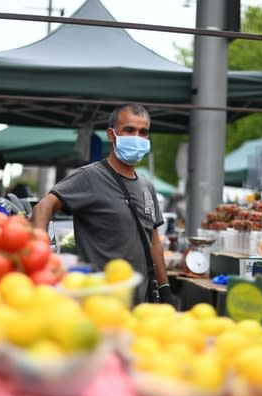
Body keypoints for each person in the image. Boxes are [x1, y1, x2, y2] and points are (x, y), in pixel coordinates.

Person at [32, 103, 171, 305]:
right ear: (112, 134)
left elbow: (154, 242)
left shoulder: (146, 186)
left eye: (144, 132)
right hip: (98, 300)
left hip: (139, 303)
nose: (137, 137)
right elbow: (43, 207)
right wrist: (40, 258)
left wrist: (165, 288)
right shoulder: (89, 176)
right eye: (129, 130)